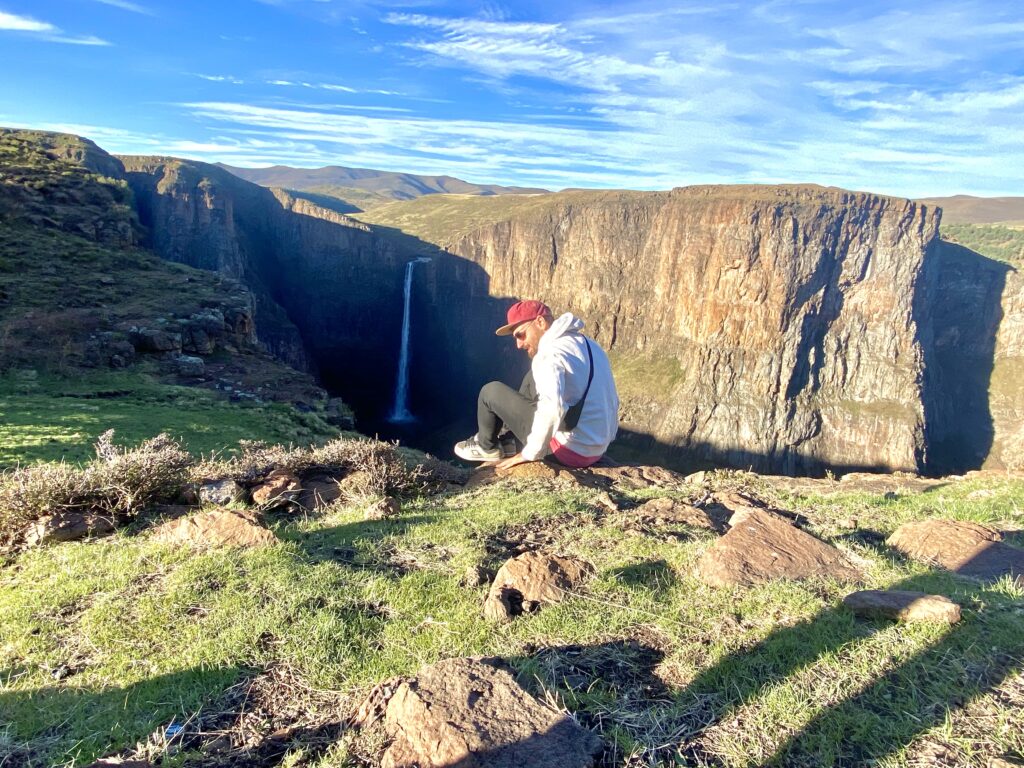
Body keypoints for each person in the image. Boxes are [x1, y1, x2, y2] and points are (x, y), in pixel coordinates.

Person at [454, 299, 619, 470]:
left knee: (490, 392)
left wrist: (530, 452)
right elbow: (612, 398)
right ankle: (510, 438)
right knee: (532, 377)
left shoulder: (550, 354)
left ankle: (486, 446)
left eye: (520, 334)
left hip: (568, 451)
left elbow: (553, 408)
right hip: (595, 448)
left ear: (540, 322)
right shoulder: (590, 345)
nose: (518, 344)